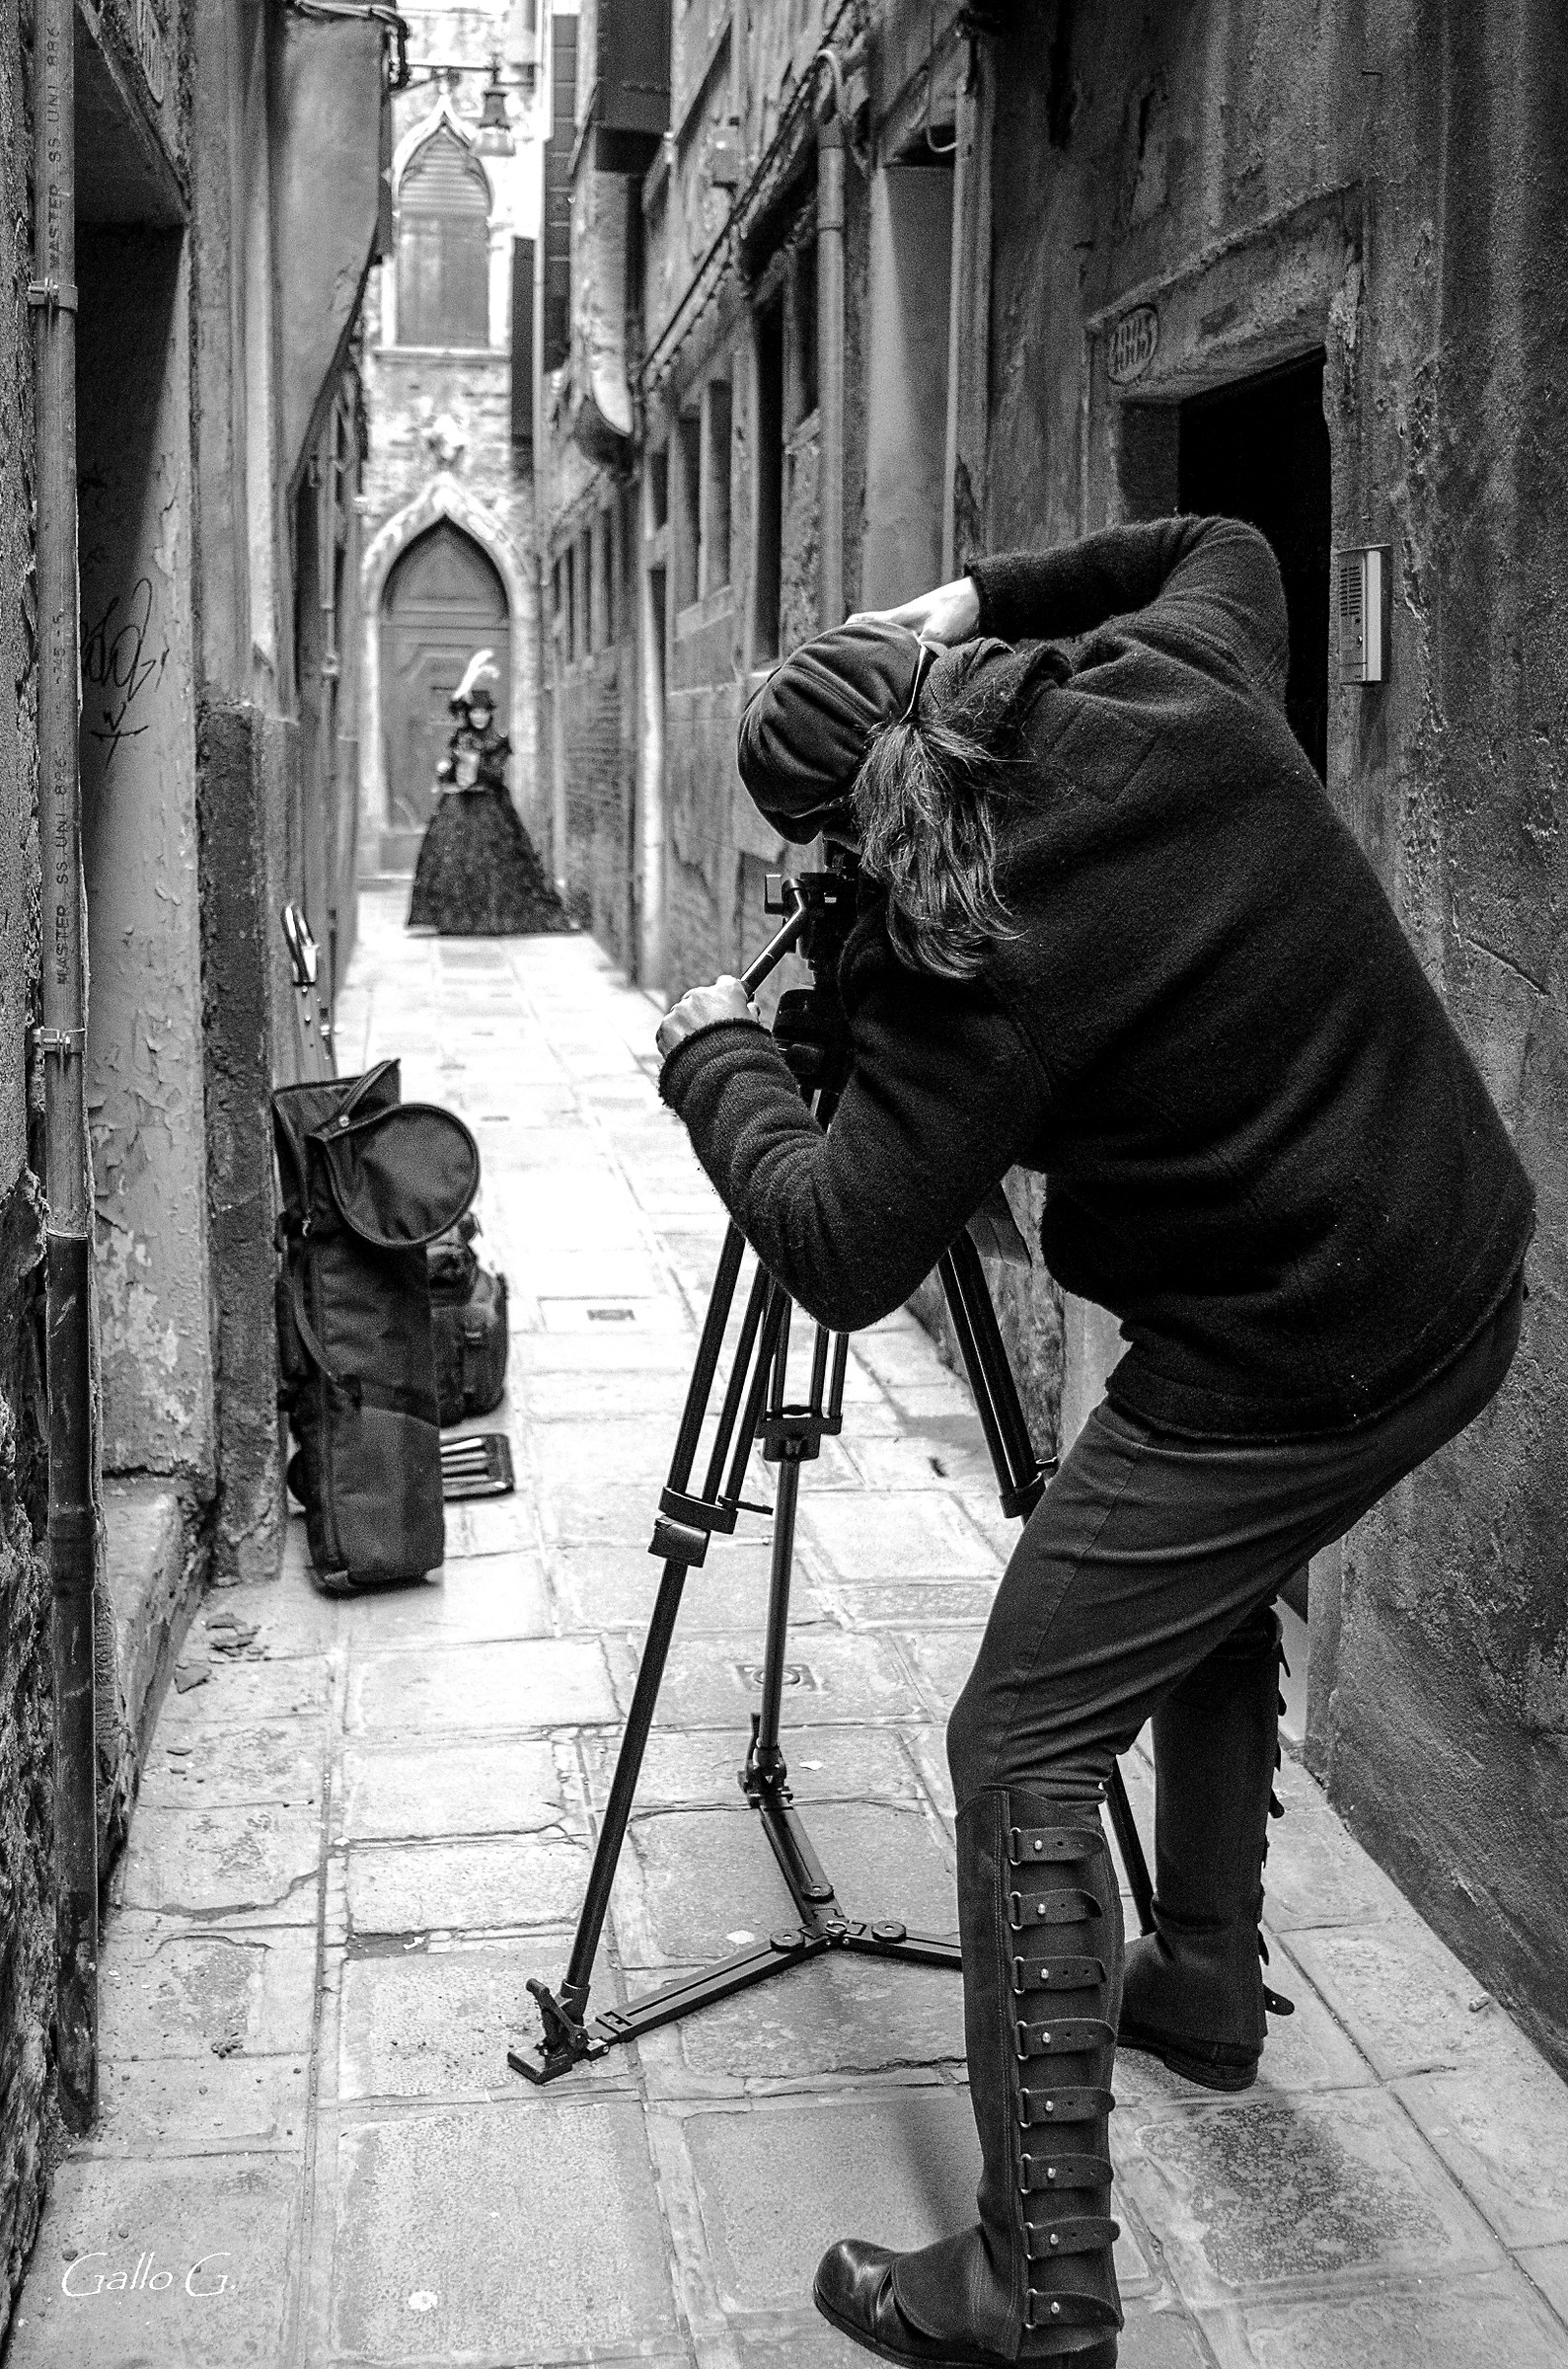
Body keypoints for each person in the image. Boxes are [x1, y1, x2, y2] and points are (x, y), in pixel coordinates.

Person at [653, 517, 1534, 2369]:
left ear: (825, 839)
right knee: (1199, 1591)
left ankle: (1030, 2285)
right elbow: (1218, 538)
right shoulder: (1173, 680)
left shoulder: (949, 961)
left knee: (1016, 1735)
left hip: (1276, 1353)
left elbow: (835, 1244)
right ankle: (1199, 1977)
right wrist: (969, 595)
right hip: (1450, 1267)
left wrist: (712, 1061)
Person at [408, 650, 568, 936]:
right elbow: (454, 704)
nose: (478, 716)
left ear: (489, 714)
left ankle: (490, 917)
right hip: (459, 805)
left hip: (489, 805)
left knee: (493, 862)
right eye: (474, 712)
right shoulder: (462, 734)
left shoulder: (498, 740)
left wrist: (475, 766)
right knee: (454, 860)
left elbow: (495, 775)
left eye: (483, 712)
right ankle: (455, 919)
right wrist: (471, 672)